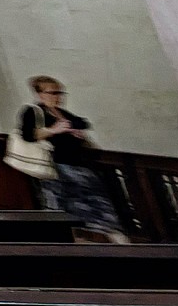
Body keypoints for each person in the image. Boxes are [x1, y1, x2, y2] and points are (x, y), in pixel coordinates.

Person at [19, 77, 126, 239]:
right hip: (56, 165)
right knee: (66, 201)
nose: (58, 96)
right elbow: (27, 135)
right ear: (40, 94)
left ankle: (104, 231)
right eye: (52, 93)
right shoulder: (32, 111)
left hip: (76, 163)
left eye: (60, 92)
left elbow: (82, 123)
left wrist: (72, 130)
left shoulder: (60, 112)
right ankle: (70, 235)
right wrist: (53, 130)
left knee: (91, 197)